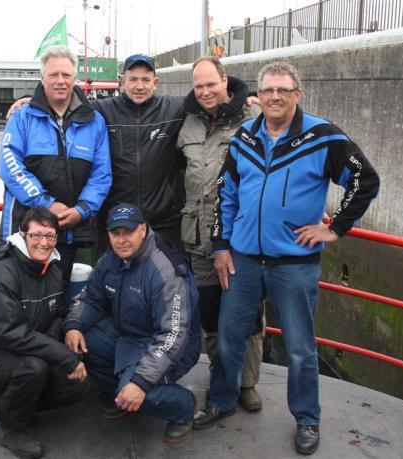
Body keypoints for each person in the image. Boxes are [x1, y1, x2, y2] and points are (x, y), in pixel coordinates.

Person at [194, 61, 380, 456]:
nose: (275, 96)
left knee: (299, 348)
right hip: (242, 261)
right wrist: (221, 246)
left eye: (284, 89)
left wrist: (336, 227)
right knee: (229, 338)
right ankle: (223, 400)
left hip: (294, 265)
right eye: (268, 90)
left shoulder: (322, 136)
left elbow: (365, 179)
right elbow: (225, 195)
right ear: (257, 97)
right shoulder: (245, 137)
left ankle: (307, 419)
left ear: (298, 93)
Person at [8, 53, 186, 250]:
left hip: (162, 222)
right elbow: (63, 103)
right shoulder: (100, 111)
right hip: (116, 222)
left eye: (145, 80)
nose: (139, 86)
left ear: (156, 82)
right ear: (122, 81)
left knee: (168, 278)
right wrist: (29, 100)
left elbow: (205, 95)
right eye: (133, 79)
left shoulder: (174, 109)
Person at [64, 203, 201, 443]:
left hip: (173, 346)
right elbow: (91, 298)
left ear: (143, 229)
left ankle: (183, 407)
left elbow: (173, 334)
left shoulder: (165, 271)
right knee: (78, 345)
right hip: (129, 333)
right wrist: (74, 325)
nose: (121, 240)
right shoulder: (110, 258)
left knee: (142, 390)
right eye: (115, 233)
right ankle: (122, 396)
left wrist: (141, 382)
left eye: (128, 232)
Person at [0, 208, 88, 458]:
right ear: (22, 235)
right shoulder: (0, 275)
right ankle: (10, 428)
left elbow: (57, 314)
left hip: (26, 350)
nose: (44, 243)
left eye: (50, 236)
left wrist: (64, 338)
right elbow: (8, 333)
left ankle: (10, 396)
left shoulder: (52, 270)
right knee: (33, 368)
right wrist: (62, 356)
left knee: (74, 388)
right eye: (37, 235)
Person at [176, 56, 265, 412]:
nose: (205, 92)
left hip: (244, 238)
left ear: (225, 80)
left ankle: (246, 383)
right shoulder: (187, 121)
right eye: (198, 86)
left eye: (211, 83)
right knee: (211, 315)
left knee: (250, 317)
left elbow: (294, 157)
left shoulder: (255, 118)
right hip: (199, 238)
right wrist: (27, 101)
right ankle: (221, 377)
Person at [0, 45, 112, 283]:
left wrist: (82, 210)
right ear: (42, 78)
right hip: (25, 232)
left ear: (75, 78)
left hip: (68, 232)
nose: (60, 81)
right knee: (17, 300)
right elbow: (9, 166)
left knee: (56, 303)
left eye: (66, 75)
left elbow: (102, 174)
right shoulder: (21, 117)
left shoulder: (95, 122)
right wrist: (46, 204)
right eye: (53, 75)